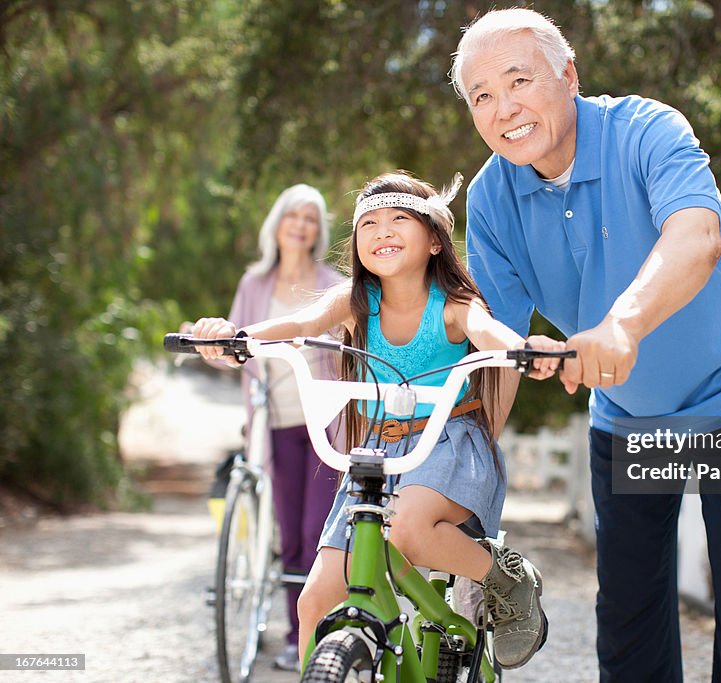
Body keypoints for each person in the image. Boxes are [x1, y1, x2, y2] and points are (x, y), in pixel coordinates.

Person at [450, 9, 721, 683]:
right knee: (630, 610)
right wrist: (463, 471)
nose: (503, 108)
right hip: (631, 416)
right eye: (482, 96)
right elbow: (495, 343)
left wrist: (621, 325)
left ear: (568, 74)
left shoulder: (647, 130)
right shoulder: (493, 196)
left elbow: (696, 237)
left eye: (519, 80)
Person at [190, 170, 565, 670]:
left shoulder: (454, 305)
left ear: (435, 239)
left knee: (408, 531)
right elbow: (300, 326)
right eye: (368, 223)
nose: (382, 231)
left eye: (399, 219)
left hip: (446, 441)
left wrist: (525, 351)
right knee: (315, 601)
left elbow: (490, 331)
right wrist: (237, 337)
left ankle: (506, 579)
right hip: (376, 451)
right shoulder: (354, 302)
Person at [191, 183, 345, 671]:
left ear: (318, 230)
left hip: (324, 422)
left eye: (310, 218)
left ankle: (316, 635)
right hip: (272, 424)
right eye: (292, 216)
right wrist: (210, 346)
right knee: (288, 534)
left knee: (316, 529)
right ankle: (293, 635)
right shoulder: (254, 284)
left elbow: (353, 347)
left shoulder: (333, 282)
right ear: (277, 224)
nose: (300, 225)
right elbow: (233, 353)